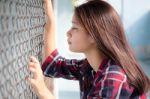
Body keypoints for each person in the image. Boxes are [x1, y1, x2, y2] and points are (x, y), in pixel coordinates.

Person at [27, 0, 150, 99]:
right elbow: (52, 65)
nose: (68, 33)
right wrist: (50, 21)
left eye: (74, 27)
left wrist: (43, 92)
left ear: (94, 36)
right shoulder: (90, 67)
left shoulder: (113, 76)